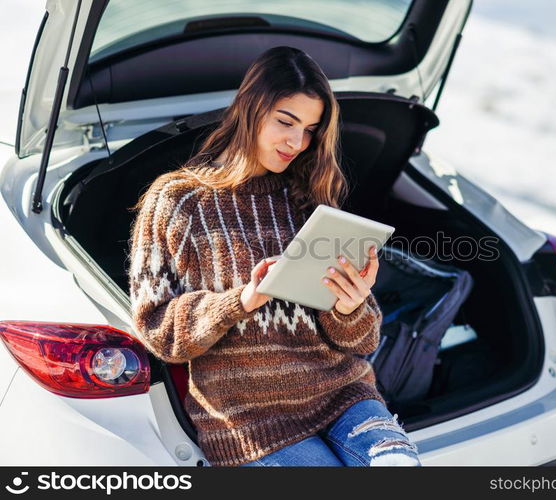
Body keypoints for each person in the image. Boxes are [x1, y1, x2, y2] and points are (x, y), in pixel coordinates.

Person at [127, 46, 421, 467]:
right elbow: (157, 330)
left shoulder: (310, 199)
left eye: (310, 130)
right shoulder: (178, 202)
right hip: (248, 420)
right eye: (286, 122)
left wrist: (351, 306)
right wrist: (241, 301)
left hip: (342, 394)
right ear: (250, 109)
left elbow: (364, 341)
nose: (297, 142)